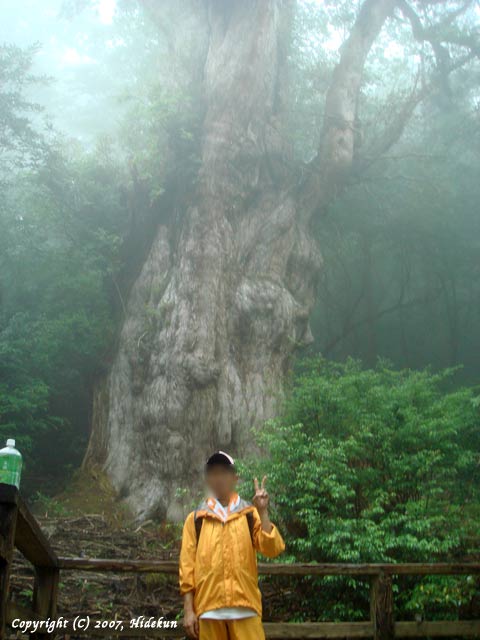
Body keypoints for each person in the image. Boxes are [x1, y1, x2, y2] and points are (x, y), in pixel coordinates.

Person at [179, 450, 285, 640]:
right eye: (213, 473)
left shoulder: (249, 514)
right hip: (208, 610)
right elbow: (187, 568)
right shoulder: (195, 520)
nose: (218, 478)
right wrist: (189, 610)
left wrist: (263, 511)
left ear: (235, 478)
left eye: (224, 472)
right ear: (207, 479)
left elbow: (272, 549)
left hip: (246, 608)